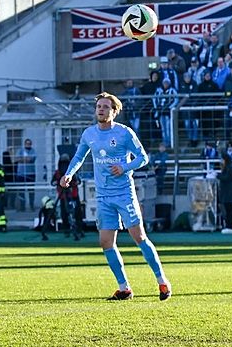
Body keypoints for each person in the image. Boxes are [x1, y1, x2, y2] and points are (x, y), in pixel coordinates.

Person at [59, 92, 171, 301]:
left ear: (114, 111)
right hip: (103, 197)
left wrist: (125, 167)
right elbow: (79, 157)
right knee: (105, 242)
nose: (101, 109)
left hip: (124, 194)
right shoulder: (88, 134)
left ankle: (162, 282)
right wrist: (69, 174)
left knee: (139, 237)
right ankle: (124, 288)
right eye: (99, 106)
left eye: (105, 107)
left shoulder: (124, 133)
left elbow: (143, 158)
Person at [52, 155, 83, 241]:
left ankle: (79, 229)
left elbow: (78, 181)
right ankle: (66, 229)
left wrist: (74, 182)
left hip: (73, 194)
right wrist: (57, 183)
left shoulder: (72, 172)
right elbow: (53, 181)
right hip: (62, 195)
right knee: (64, 213)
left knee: (77, 212)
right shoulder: (58, 173)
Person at [217, 153, 232, 233]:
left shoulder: (230, 169)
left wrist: (218, 176)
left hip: (229, 193)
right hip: (227, 193)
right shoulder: (227, 168)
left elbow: (226, 178)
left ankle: (231, 226)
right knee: (228, 209)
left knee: (229, 210)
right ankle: (229, 225)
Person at [15, 138, 37, 212]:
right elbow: (17, 159)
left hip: (31, 173)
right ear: (24, 144)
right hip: (21, 174)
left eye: (29, 143)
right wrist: (26, 159)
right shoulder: (20, 150)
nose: (28, 145)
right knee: (21, 190)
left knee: (31, 191)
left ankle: (31, 206)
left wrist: (23, 159)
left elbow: (31, 159)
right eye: (27, 143)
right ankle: (22, 207)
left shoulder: (33, 150)